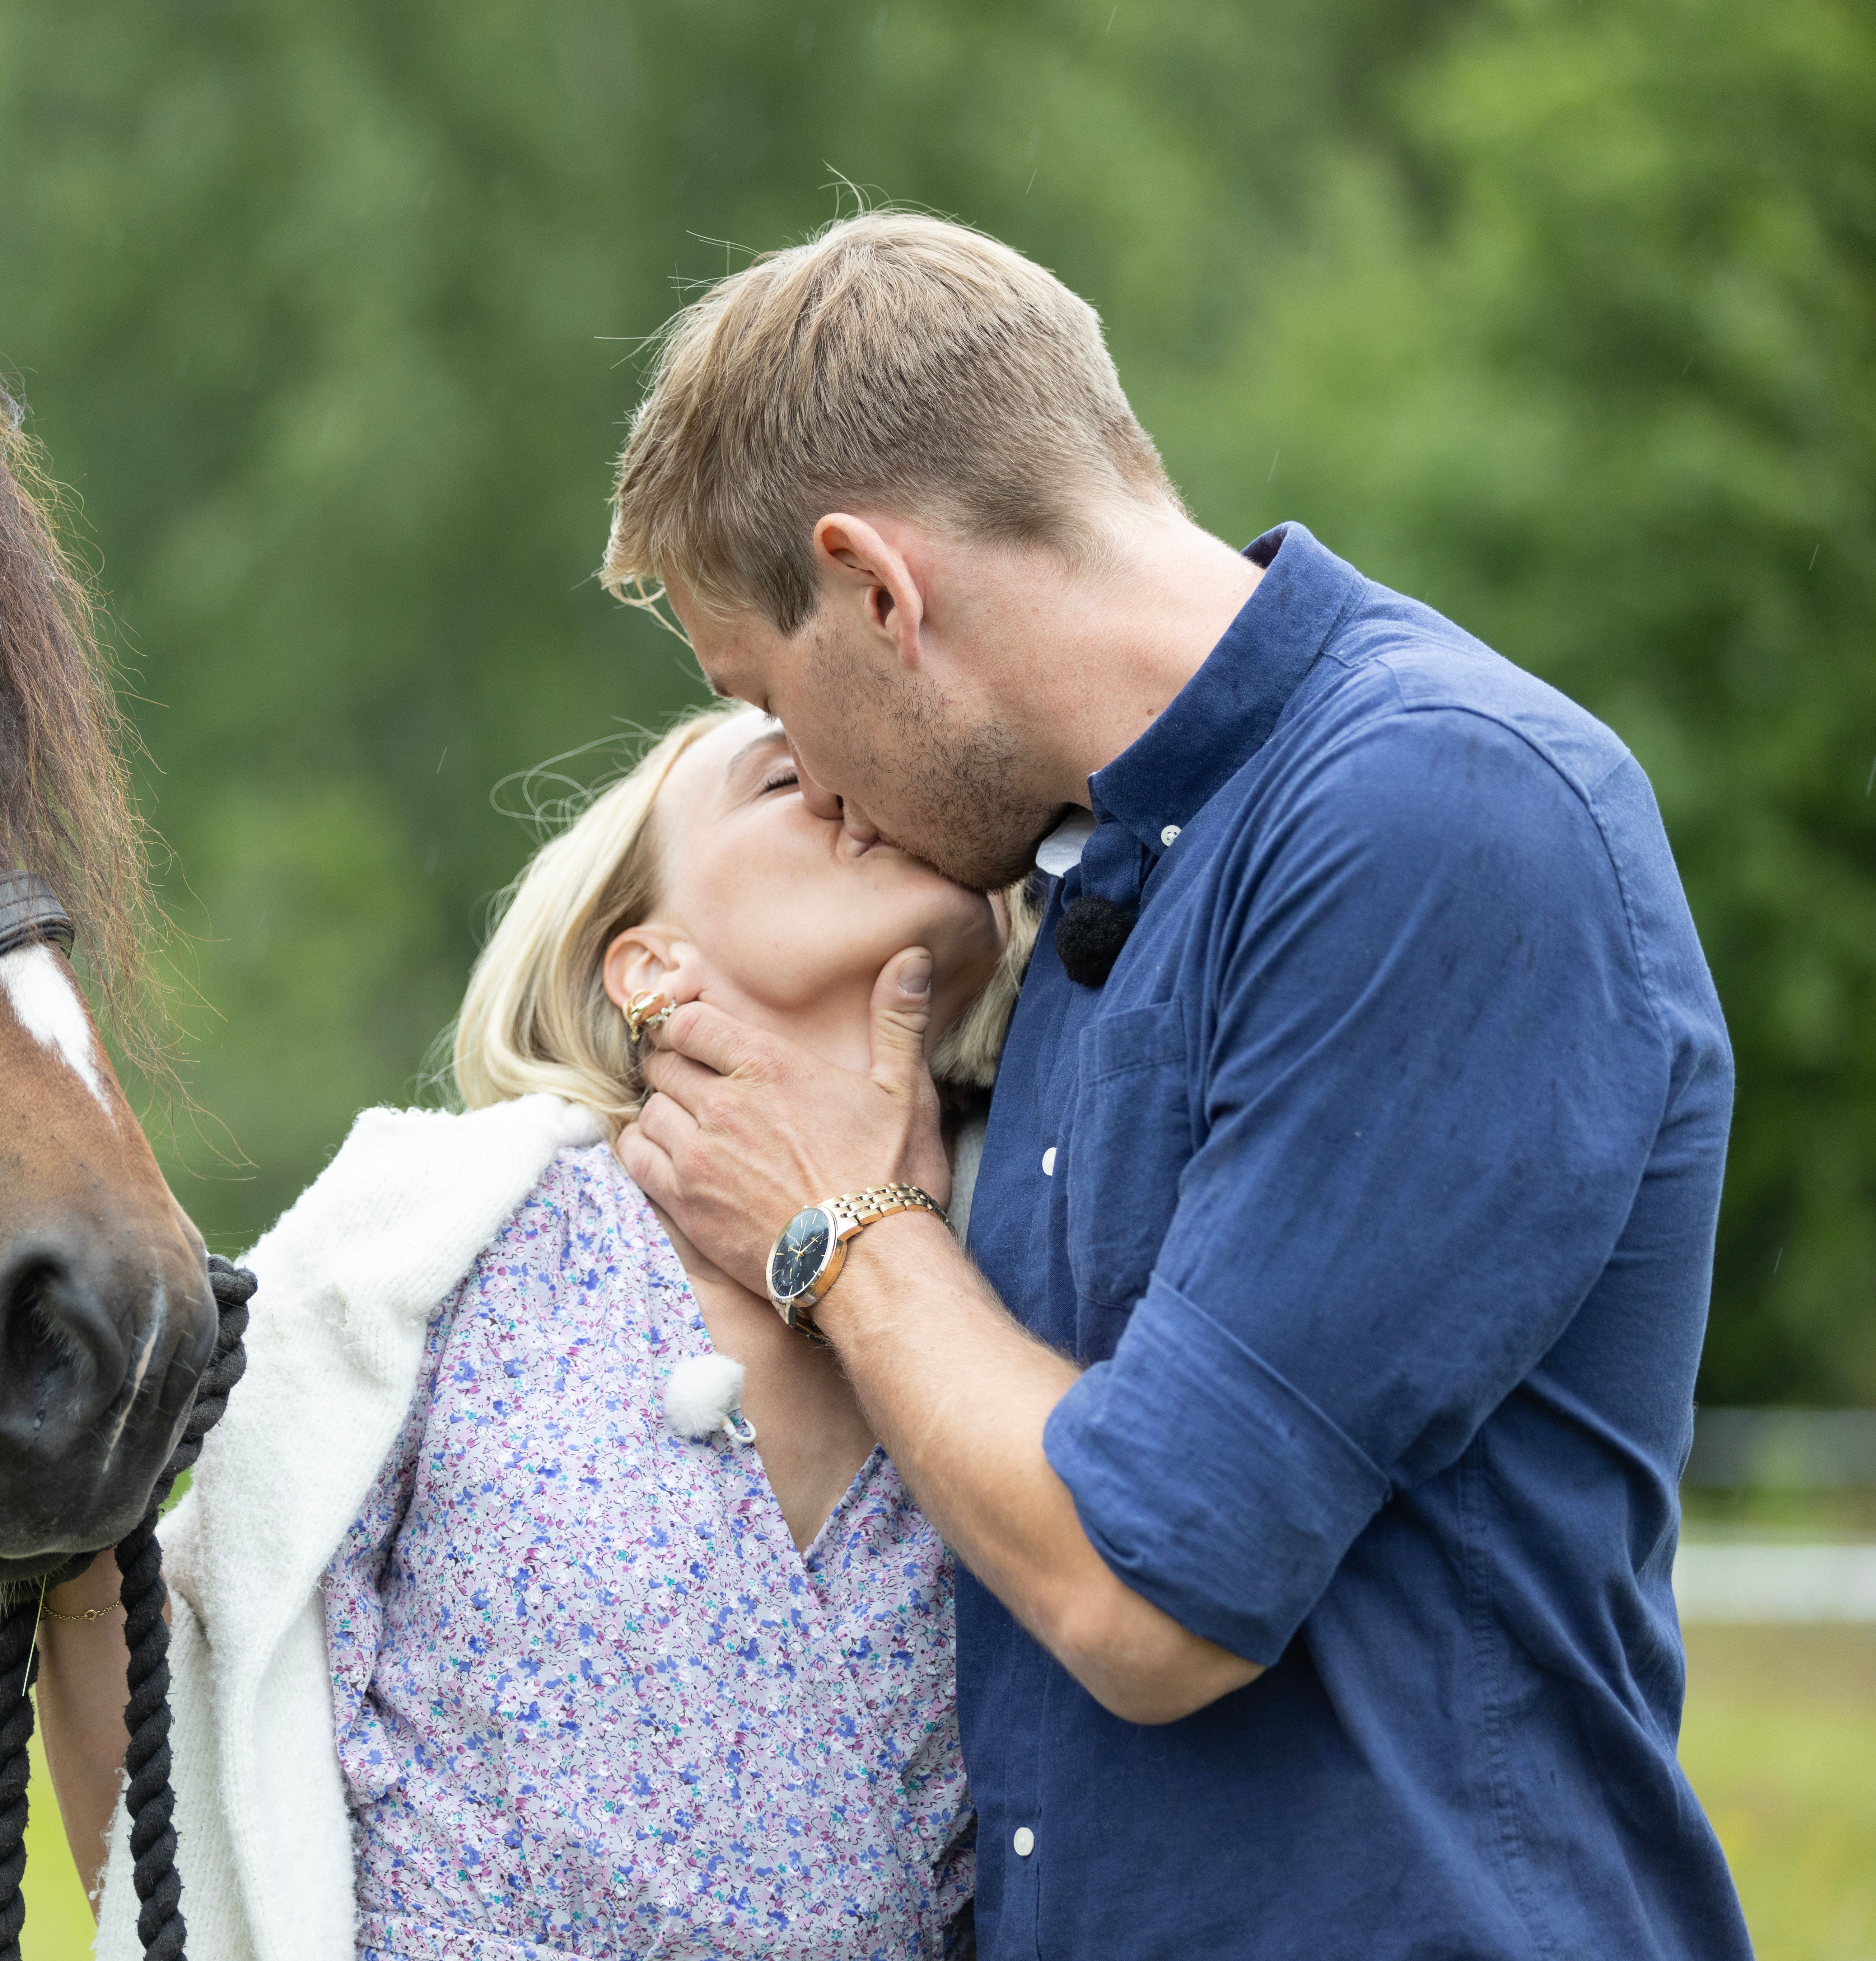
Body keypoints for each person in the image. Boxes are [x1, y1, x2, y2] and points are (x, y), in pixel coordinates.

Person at [599, 211, 1750, 1958]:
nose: (808, 784)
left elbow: (1149, 1592)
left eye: (764, 697)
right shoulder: (1094, 877)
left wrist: (841, 1222)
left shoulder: (1433, 814)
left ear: (875, 588)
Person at [34, 703, 1037, 1959]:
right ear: (648, 966)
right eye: (788, 778)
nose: (856, 793)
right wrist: (68, 1550)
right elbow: (196, 1736)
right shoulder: (434, 1247)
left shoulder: (1032, 1268)